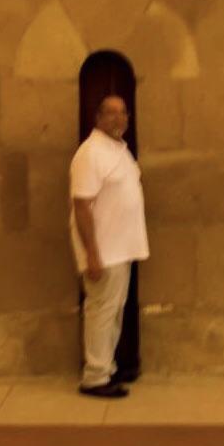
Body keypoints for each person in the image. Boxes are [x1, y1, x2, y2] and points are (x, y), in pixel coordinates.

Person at [69, 94, 149, 398]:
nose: (119, 119)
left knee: (113, 311)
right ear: (98, 117)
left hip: (121, 248)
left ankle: (107, 367)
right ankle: (95, 377)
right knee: (101, 312)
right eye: (111, 113)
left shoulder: (117, 150)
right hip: (102, 250)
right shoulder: (90, 153)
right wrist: (91, 252)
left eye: (123, 113)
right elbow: (81, 206)